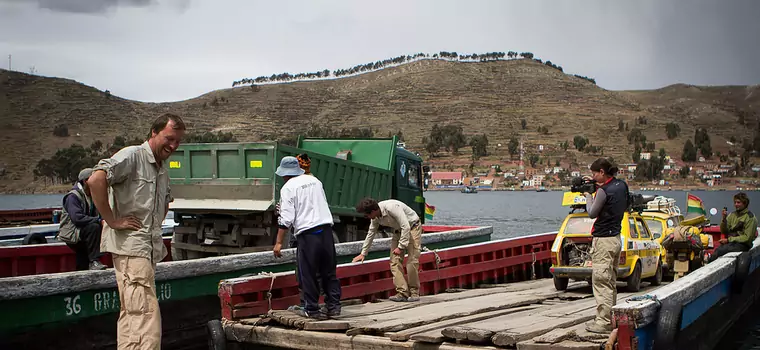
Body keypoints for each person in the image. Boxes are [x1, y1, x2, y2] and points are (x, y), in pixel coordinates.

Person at [88, 113, 186, 350]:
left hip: (146, 250)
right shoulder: (133, 156)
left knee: (134, 315)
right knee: (145, 316)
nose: (173, 146)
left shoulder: (161, 167)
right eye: (169, 138)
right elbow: (96, 180)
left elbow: (164, 203)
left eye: (177, 142)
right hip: (131, 250)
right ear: (154, 132)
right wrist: (112, 220)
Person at [272, 156, 341, 320]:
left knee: (308, 273)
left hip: (308, 235)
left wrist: (279, 242)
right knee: (329, 272)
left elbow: (286, 219)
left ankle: (312, 309)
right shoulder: (315, 181)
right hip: (326, 232)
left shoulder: (288, 187)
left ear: (285, 174)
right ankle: (334, 307)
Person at [582, 158, 628, 334]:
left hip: (602, 240)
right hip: (616, 238)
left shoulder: (603, 191)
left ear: (602, 172)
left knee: (601, 282)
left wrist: (588, 196)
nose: (593, 177)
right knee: (610, 281)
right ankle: (612, 318)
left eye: (595, 174)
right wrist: (593, 183)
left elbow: (592, 213)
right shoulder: (621, 186)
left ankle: (603, 322)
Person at [352, 198, 423, 302]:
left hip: (412, 227)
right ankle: (402, 292)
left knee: (412, 261)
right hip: (398, 231)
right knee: (394, 262)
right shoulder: (375, 217)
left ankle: (414, 293)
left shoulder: (391, 208)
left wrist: (400, 247)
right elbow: (371, 233)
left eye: (366, 215)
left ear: (372, 211)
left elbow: (406, 226)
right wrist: (363, 253)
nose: (366, 218)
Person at [58, 167, 106, 271]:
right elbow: (77, 218)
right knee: (94, 226)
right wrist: (98, 220)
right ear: (86, 181)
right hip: (72, 233)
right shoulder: (72, 197)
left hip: (83, 231)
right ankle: (94, 261)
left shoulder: (92, 195)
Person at [709, 192, 757, 262]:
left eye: (738, 202)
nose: (736, 204)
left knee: (720, 251)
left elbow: (747, 238)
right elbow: (724, 231)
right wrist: (724, 219)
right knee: (716, 250)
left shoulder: (750, 218)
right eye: (735, 202)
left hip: (743, 245)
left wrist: (729, 240)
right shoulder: (732, 215)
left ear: (745, 203)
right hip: (731, 243)